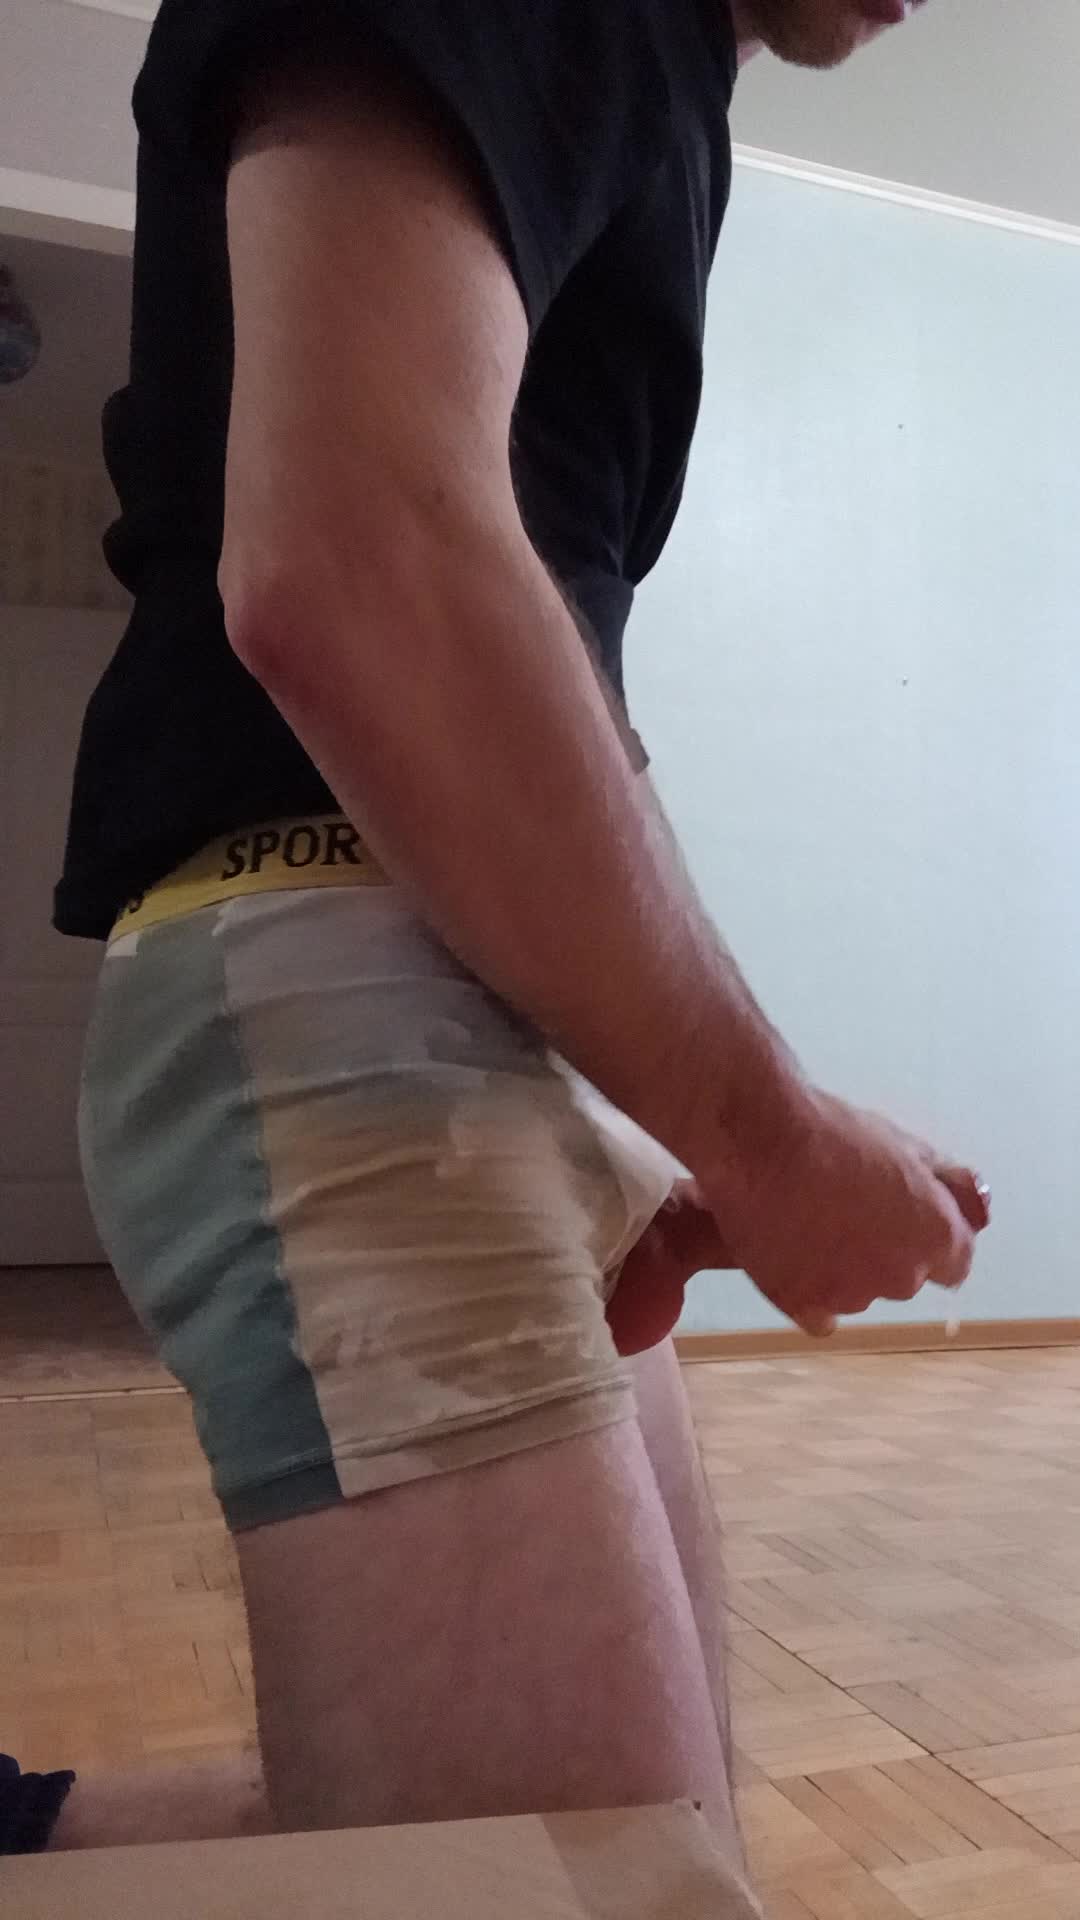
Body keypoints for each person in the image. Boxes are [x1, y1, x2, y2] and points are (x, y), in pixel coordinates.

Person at [5, 0, 990, 1884]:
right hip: (331, 1000)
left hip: (438, 1016)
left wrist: (661, 1108)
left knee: (615, 1855)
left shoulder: (659, 72)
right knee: (590, 1884)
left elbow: (526, 628)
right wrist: (769, 1140)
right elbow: (357, 559)